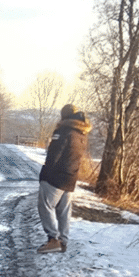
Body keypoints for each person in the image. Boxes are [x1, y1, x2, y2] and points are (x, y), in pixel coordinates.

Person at [37, 103, 92, 254]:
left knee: (45, 206)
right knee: (64, 210)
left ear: (64, 116)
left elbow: (54, 155)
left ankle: (53, 239)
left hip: (55, 177)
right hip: (71, 178)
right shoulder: (82, 134)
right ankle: (63, 241)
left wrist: (44, 175)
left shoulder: (63, 131)